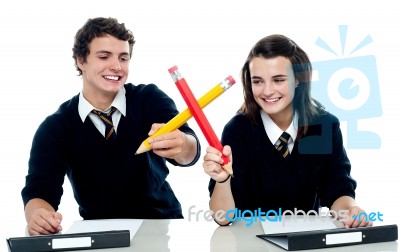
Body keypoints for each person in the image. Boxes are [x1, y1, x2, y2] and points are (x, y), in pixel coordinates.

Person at [21, 17, 201, 236]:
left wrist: (182, 145)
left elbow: (190, 150)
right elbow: (39, 192)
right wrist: (39, 216)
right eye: (104, 56)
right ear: (81, 60)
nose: (116, 67)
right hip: (99, 234)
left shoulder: (148, 98)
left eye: (123, 58)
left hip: (160, 226)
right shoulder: (56, 127)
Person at [202, 34, 372, 228]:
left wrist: (350, 211)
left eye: (278, 80)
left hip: (305, 241)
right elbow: (223, 217)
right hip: (250, 240)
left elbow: (337, 187)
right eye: (257, 81)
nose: (267, 91)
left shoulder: (324, 126)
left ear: (298, 80)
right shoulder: (238, 130)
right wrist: (222, 180)